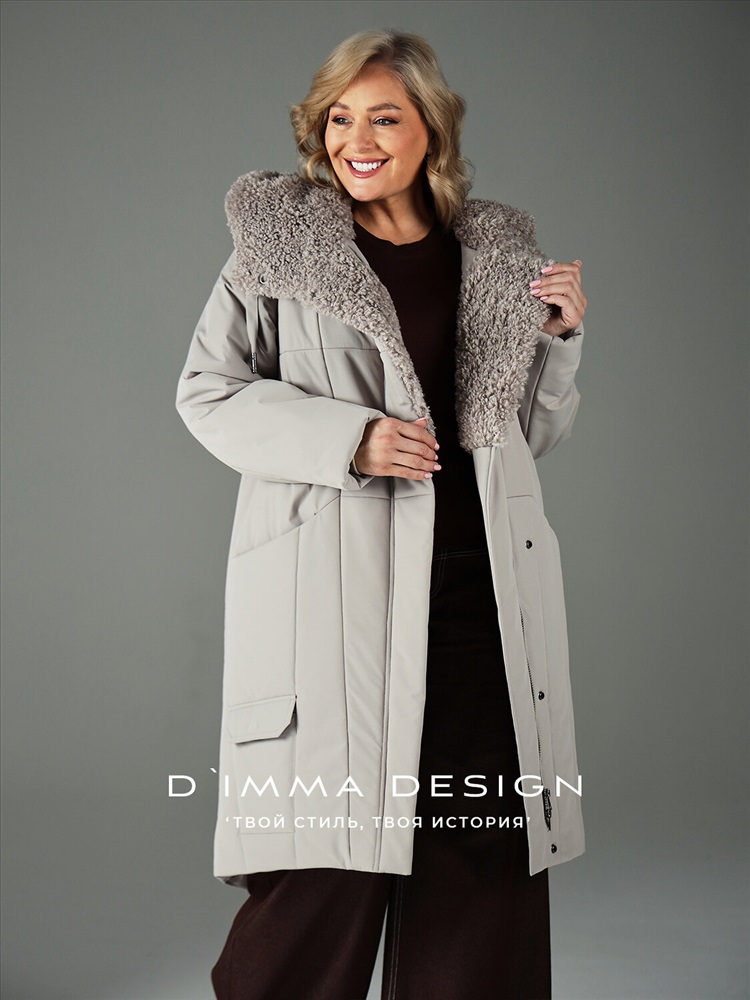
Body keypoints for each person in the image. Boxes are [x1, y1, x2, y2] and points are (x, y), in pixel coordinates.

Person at [175, 28, 588, 1000]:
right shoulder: (278, 251)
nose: (356, 140)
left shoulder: (494, 257)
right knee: (324, 878)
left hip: (478, 602)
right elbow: (206, 391)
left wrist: (561, 339)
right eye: (339, 117)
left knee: (481, 880)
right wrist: (349, 439)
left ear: (430, 129)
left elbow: (527, 436)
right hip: (340, 604)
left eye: (384, 117)